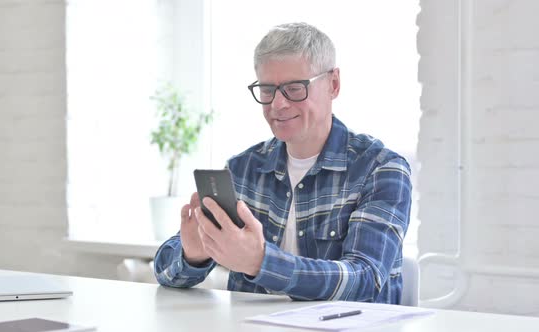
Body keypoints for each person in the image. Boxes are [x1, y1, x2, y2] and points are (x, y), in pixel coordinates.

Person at [154, 22, 412, 304]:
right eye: (267, 90)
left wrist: (261, 262)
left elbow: (365, 279)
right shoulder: (242, 170)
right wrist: (193, 254)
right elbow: (166, 271)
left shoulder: (381, 169)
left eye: (294, 88)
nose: (278, 104)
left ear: (333, 84)